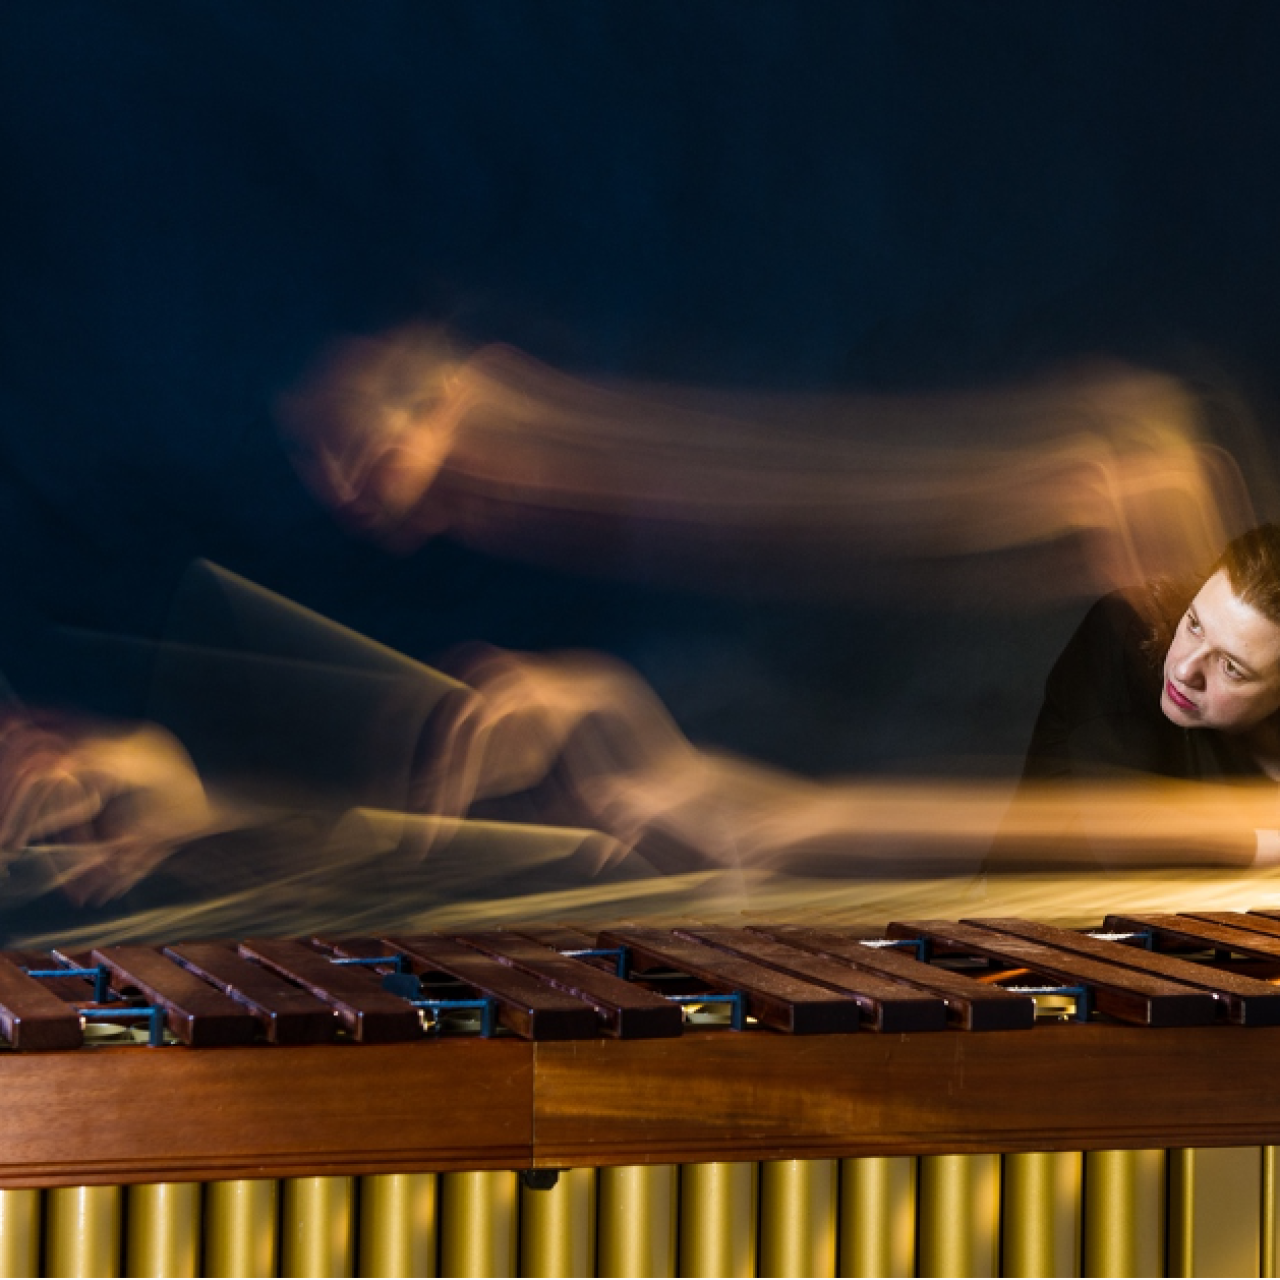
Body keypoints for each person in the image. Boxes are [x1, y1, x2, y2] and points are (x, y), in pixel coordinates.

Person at [989, 523, 1280, 870]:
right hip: (1035, 914)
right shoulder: (1125, 628)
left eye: (1231, 667)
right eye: (1194, 624)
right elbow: (1127, 838)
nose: (1185, 669)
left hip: (1203, 916)